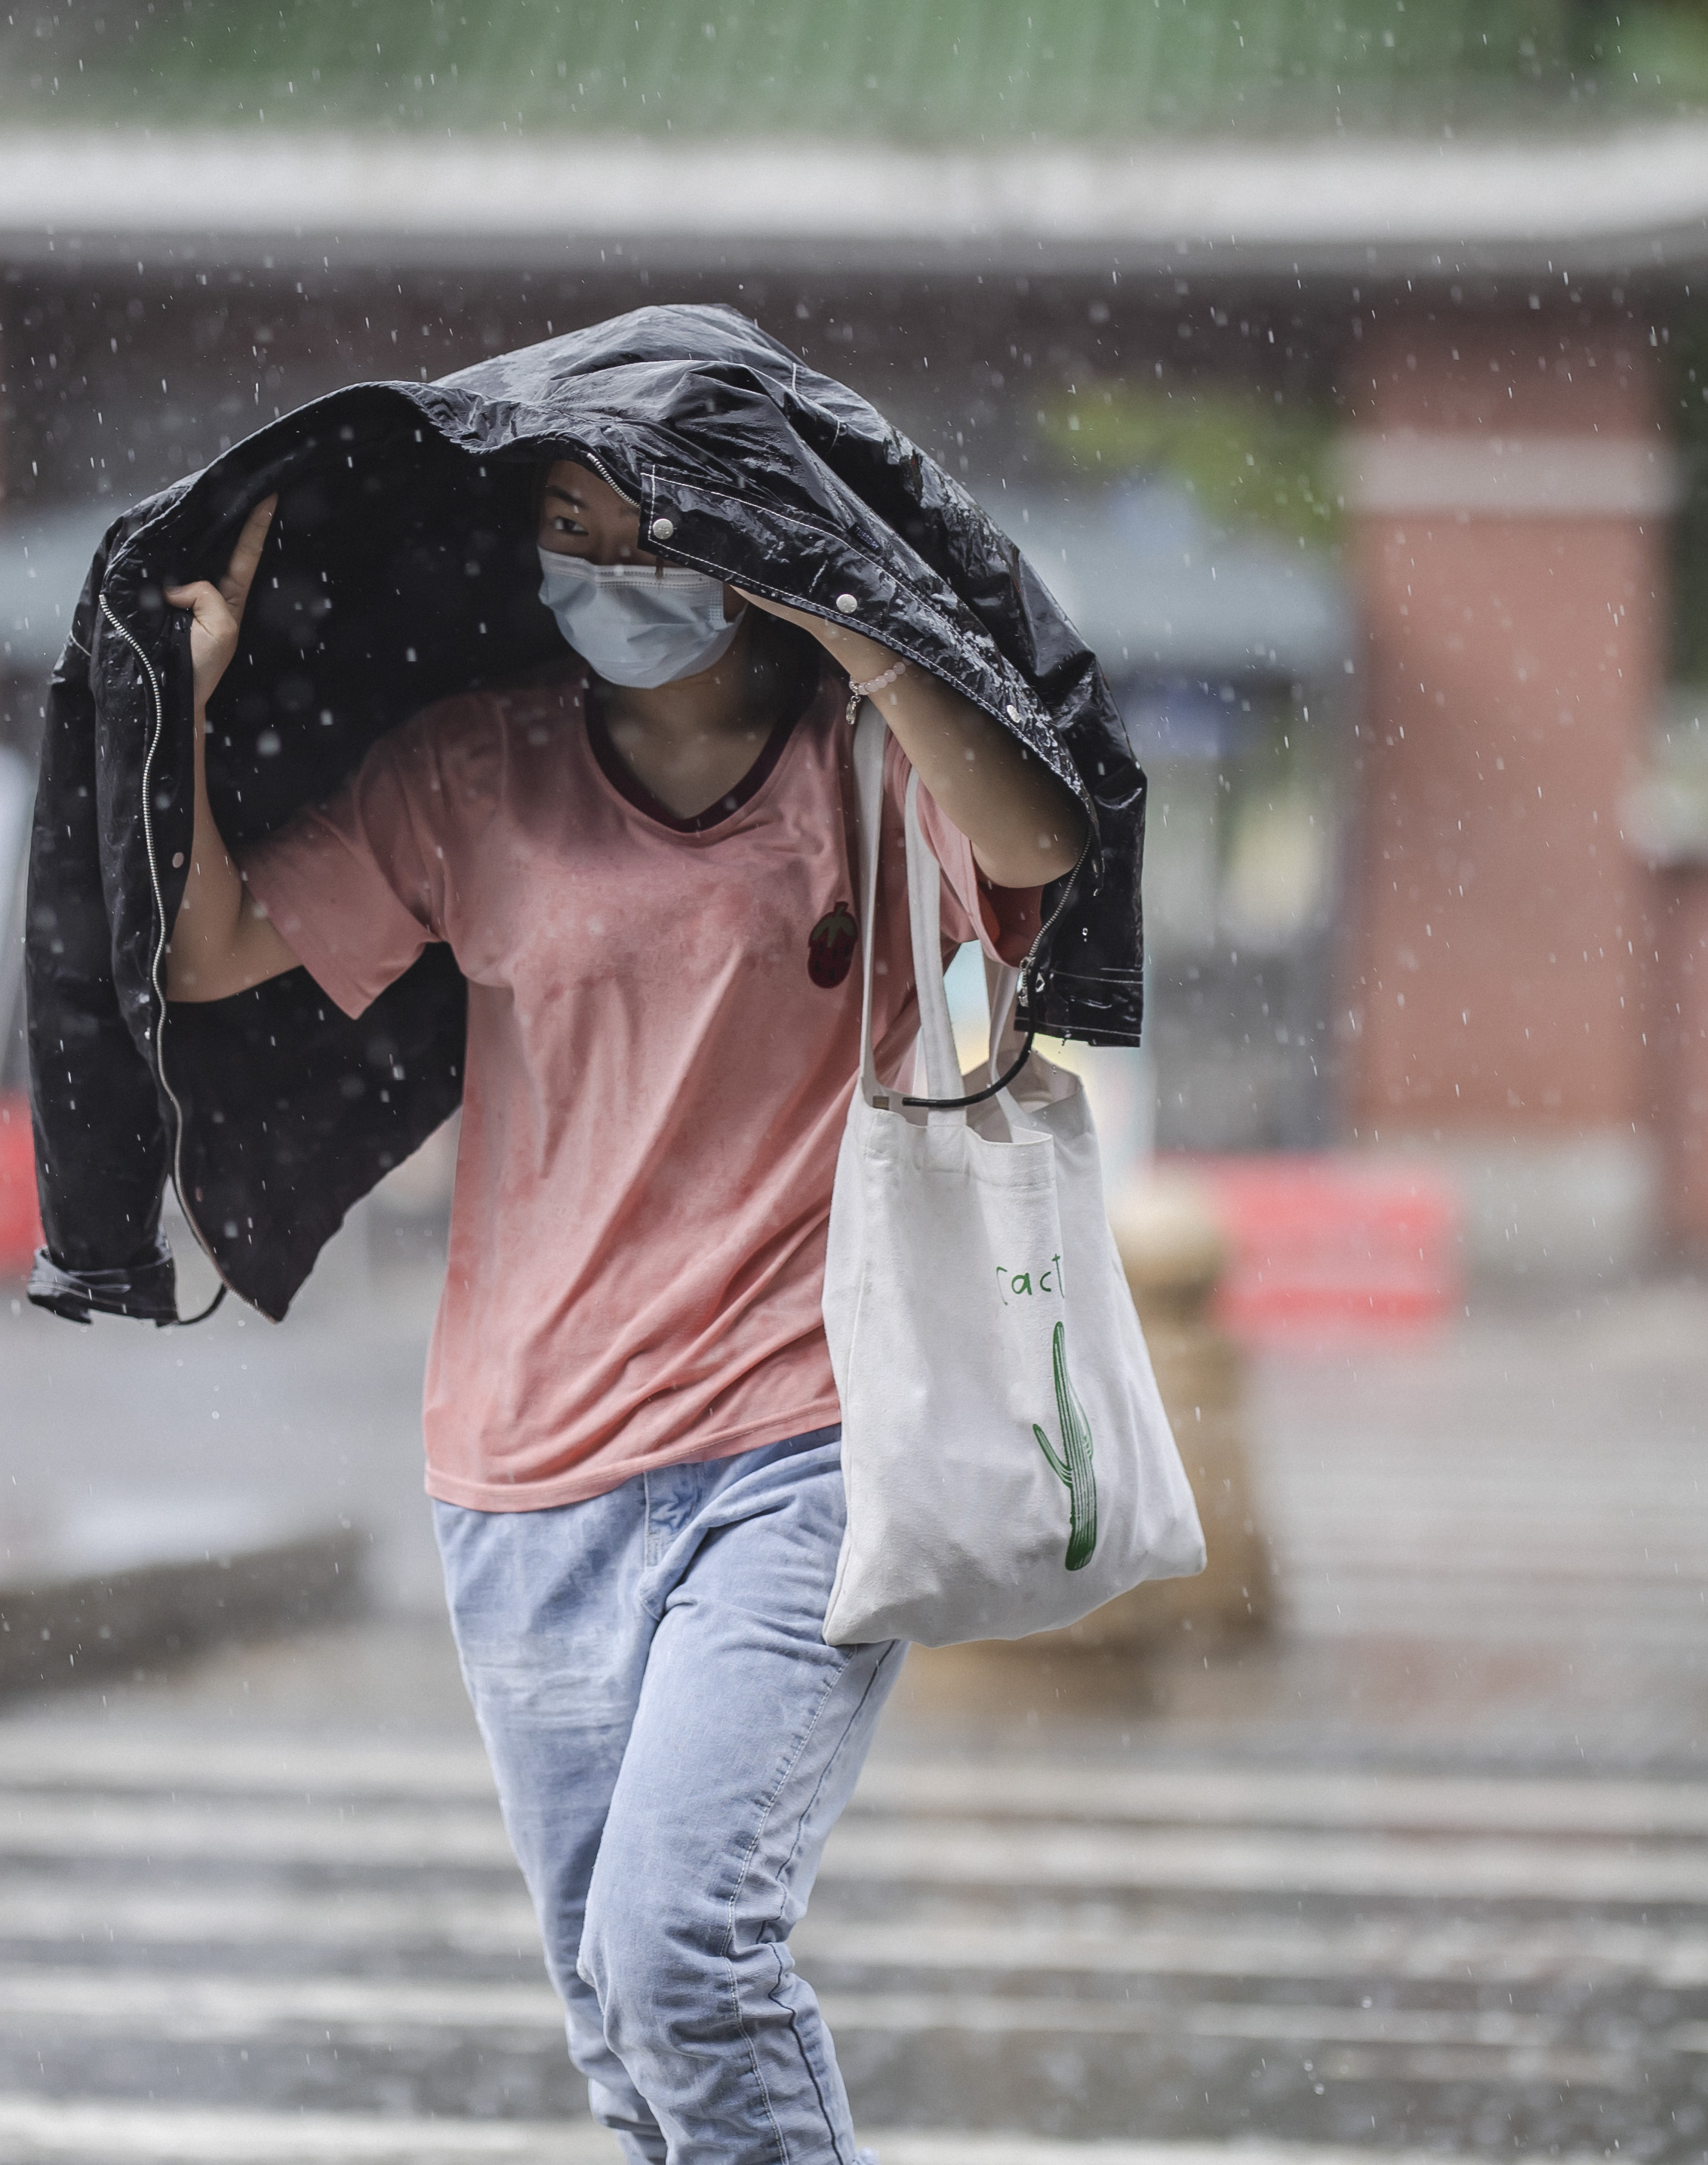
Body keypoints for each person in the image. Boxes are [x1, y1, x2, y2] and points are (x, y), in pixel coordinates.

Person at [159, 463, 1087, 2164]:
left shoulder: (856, 759)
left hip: (795, 1439)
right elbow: (208, 950)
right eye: (559, 531)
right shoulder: (473, 774)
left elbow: (1038, 846)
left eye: (626, 527)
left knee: (682, 1958)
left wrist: (853, 629)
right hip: (522, 1463)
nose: (588, 567)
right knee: (616, 2029)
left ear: (727, 545)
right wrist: (184, 700)